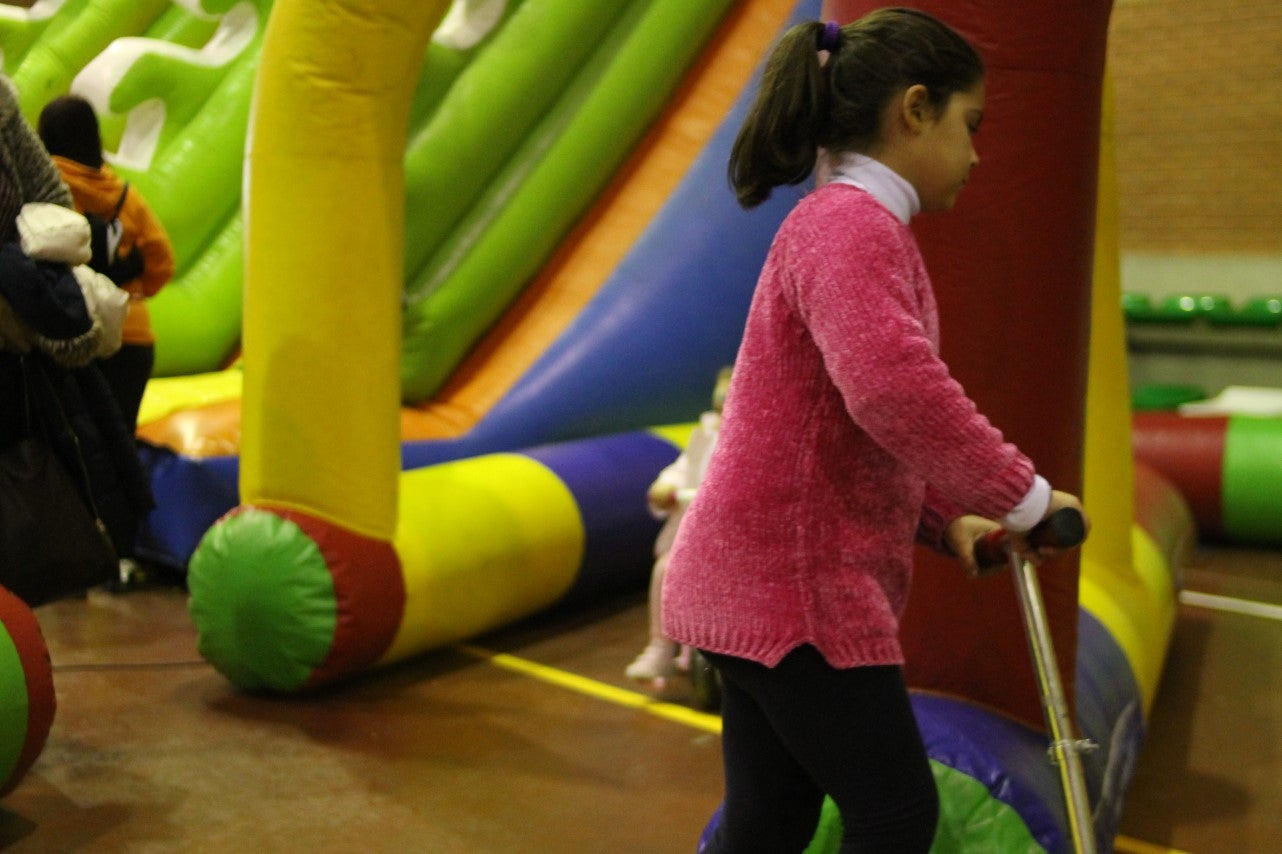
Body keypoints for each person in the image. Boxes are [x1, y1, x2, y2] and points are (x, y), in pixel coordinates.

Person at [660, 11, 1089, 853]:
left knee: (768, 822)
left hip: (759, 582)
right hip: (798, 595)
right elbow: (893, 393)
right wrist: (1025, 497)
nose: (976, 154)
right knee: (894, 813)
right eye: (971, 126)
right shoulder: (853, 228)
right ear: (915, 110)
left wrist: (946, 518)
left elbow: (841, 431)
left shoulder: (845, 229)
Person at [37, 93, 175, 440]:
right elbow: (162, 261)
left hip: (75, 331)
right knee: (120, 446)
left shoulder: (46, 188)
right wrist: (132, 287)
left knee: (74, 446)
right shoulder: (124, 194)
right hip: (132, 334)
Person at [625, 366, 730, 686]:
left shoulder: (759, 438)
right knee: (666, 569)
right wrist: (664, 488)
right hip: (698, 537)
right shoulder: (706, 436)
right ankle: (661, 647)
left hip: (734, 542)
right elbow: (682, 470)